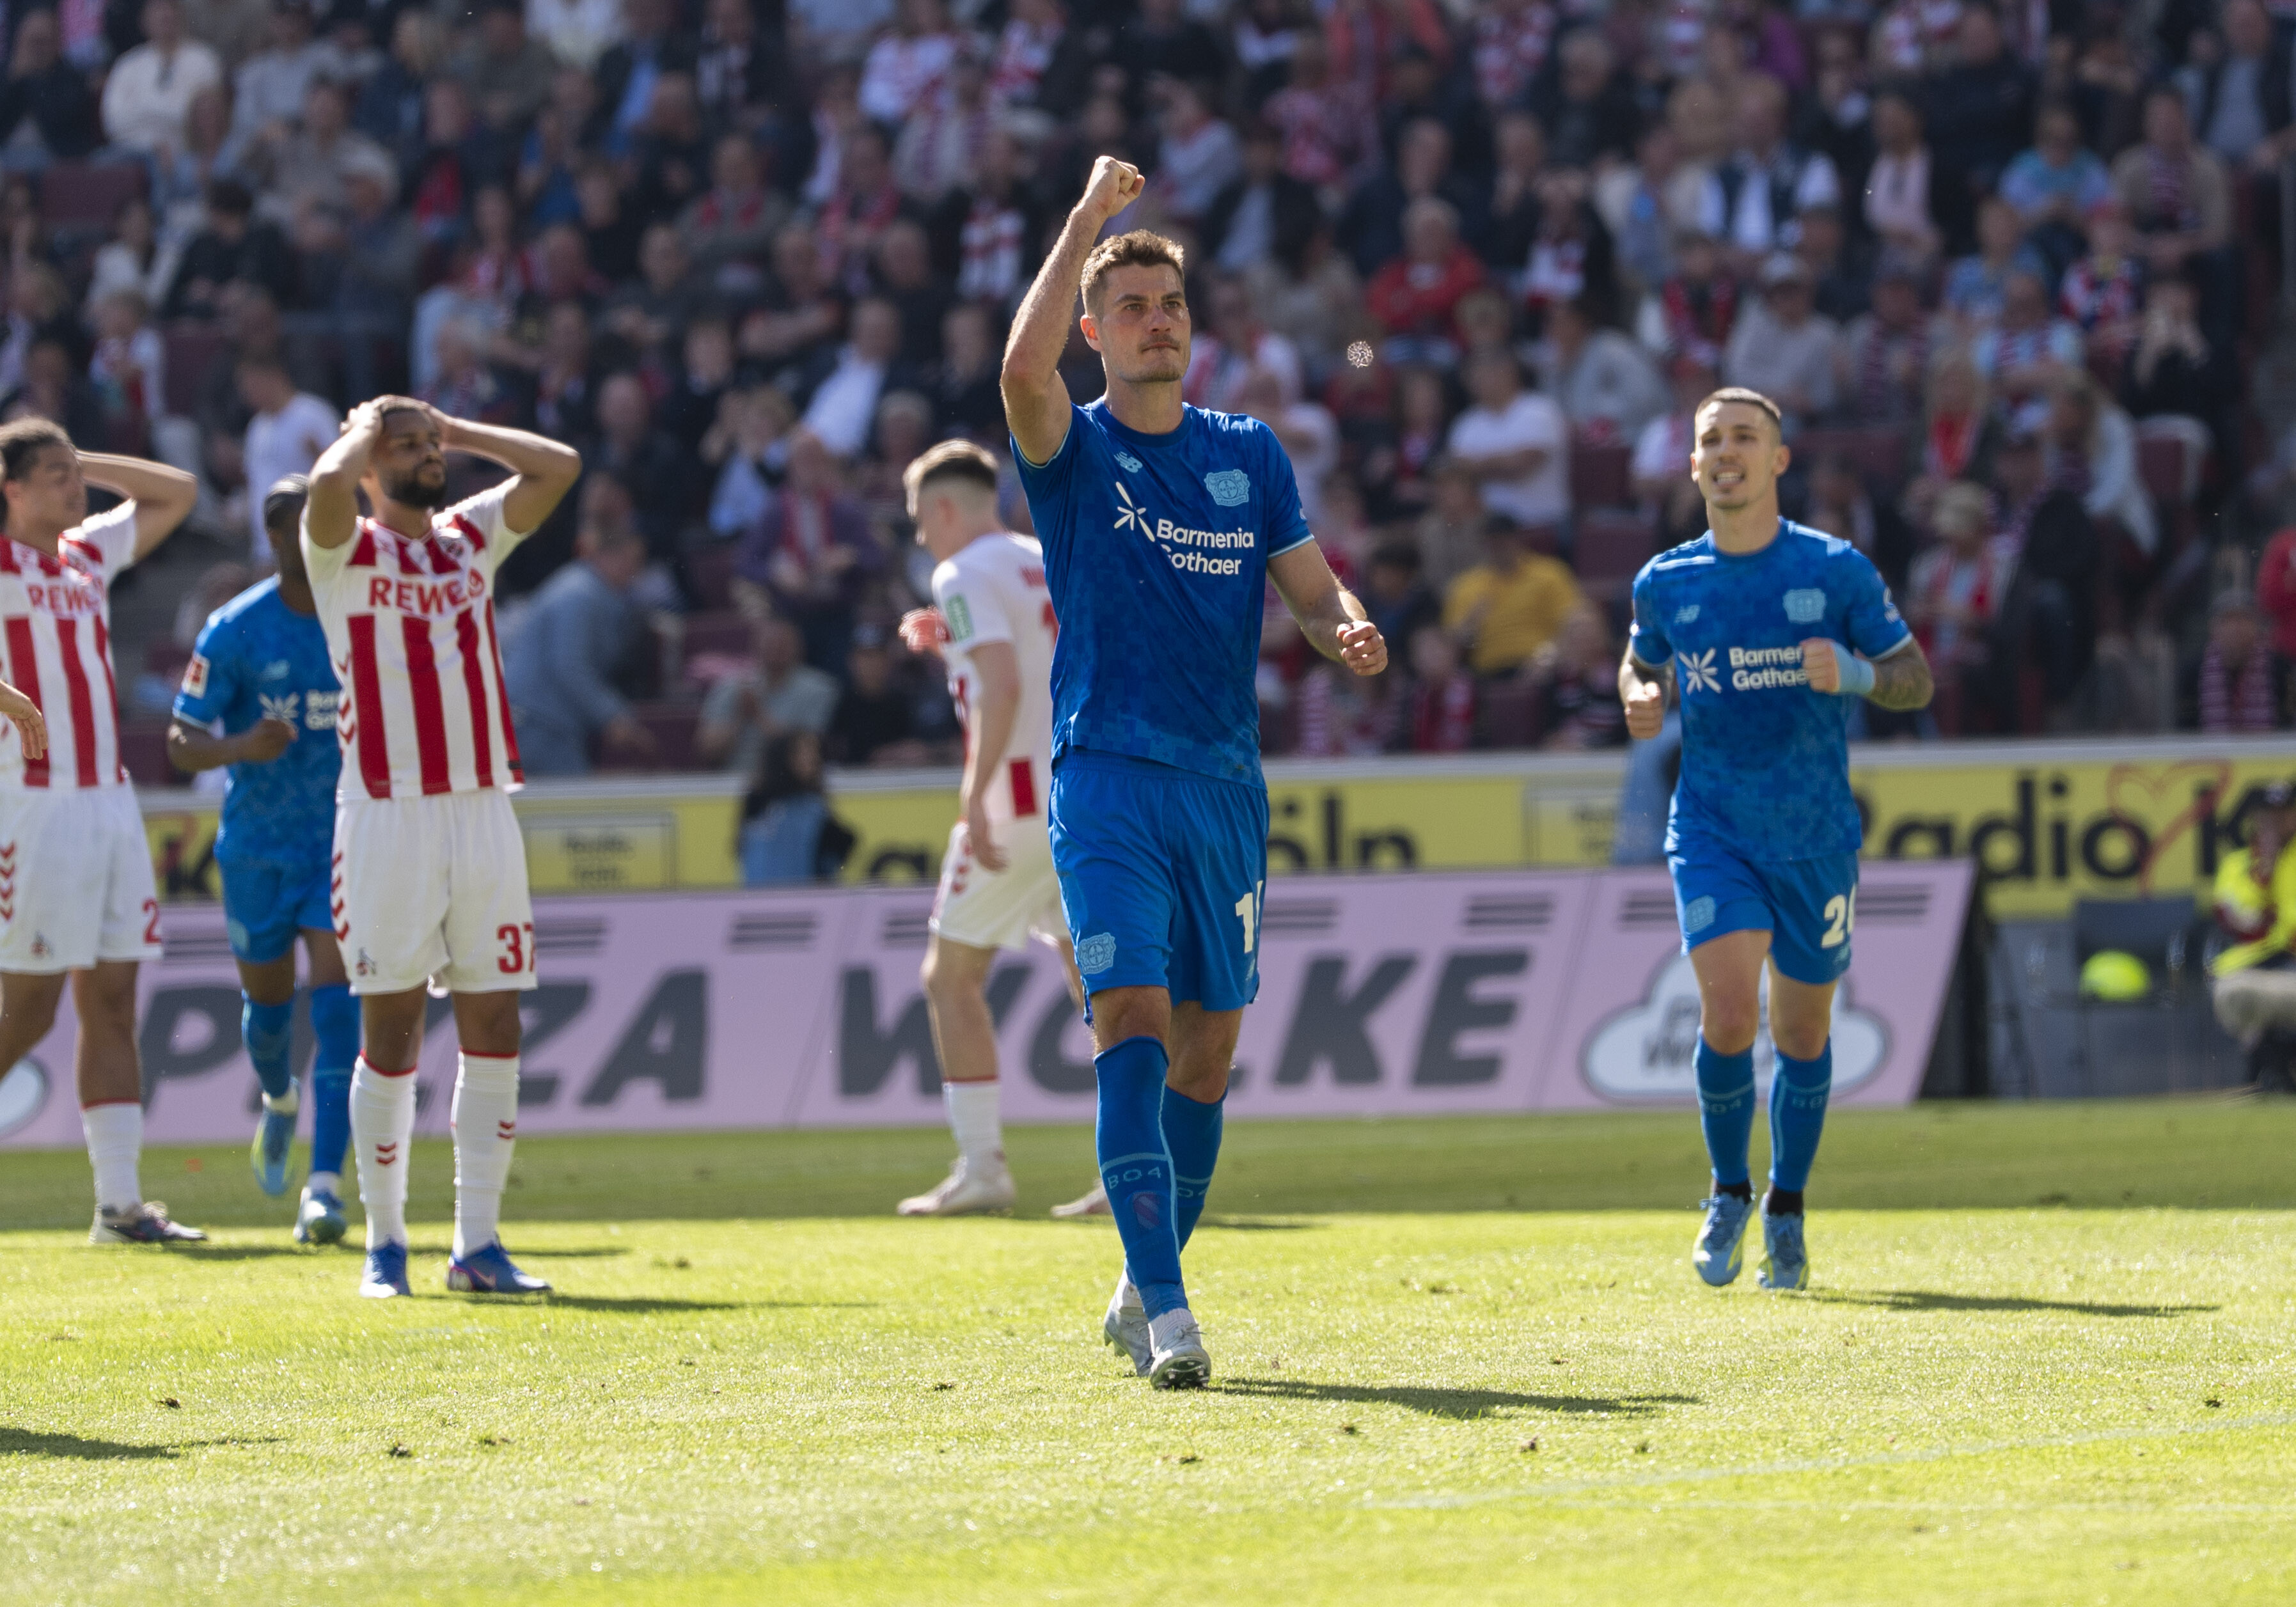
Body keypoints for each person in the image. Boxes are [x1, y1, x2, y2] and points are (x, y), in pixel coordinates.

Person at [1002, 157, 1388, 1388]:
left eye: (1169, 303)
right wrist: (1085, 224)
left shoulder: (1250, 454)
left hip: (1224, 787)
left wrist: (1348, 629)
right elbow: (1018, 373)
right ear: (1095, 334)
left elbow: (1316, 591)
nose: (1156, 321)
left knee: (1209, 1056)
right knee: (1131, 1017)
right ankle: (1172, 1312)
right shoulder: (1074, 450)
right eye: (1130, 308)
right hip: (1108, 773)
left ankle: (1135, 1274)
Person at [1618, 387, 1933, 1293]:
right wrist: (1636, 698)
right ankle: (1727, 1190)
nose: (1726, 452)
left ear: (1776, 460)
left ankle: (1786, 1207)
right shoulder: (1666, 580)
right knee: (1725, 1008)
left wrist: (1861, 672)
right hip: (1713, 824)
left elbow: (1915, 678)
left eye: (1744, 438)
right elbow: (1639, 662)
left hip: (1813, 835)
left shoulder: (1833, 572)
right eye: (1710, 440)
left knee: (1800, 1029)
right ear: (1691, 464)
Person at [301, 396, 581, 1299]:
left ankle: (477, 1244)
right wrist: (365, 430)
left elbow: (558, 466)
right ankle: (385, 1245)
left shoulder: (467, 538)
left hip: (481, 810)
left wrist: (456, 430)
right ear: (371, 467)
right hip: (386, 815)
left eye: (432, 446)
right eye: (408, 449)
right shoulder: (342, 549)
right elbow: (323, 485)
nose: (428, 457)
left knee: (495, 1025)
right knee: (390, 1031)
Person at [0, 421, 200, 1244]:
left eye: (71, 472)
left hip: (109, 801)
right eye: (51, 475)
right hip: (34, 802)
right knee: (30, 1008)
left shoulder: (86, 553)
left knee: (112, 999)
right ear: (7, 489)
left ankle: (120, 1206)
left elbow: (177, 493)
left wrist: (89, 459)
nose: (71, 487)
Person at [892, 441, 1099, 1219]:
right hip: (1081, 795)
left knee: (949, 978)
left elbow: (1003, 687)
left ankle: (982, 1166)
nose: (919, 538)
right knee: (1099, 984)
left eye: (919, 519)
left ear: (944, 509)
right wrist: (949, 639)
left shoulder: (958, 572)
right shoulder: (1038, 556)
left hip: (1015, 804)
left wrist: (973, 794)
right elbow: (1039, 654)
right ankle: (1147, 1170)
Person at [166, 476, 358, 1244]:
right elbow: (181, 740)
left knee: (338, 1005)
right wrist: (243, 744)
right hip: (256, 849)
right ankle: (278, 1098)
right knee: (270, 1014)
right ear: (276, 539)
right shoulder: (236, 629)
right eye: (301, 530)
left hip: (340, 842)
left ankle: (326, 1188)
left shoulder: (360, 620)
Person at [501, 515, 652, 777]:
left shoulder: (592, 592)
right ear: (608, 556)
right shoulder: (579, 595)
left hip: (541, 723)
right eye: (632, 560)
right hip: (538, 725)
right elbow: (570, 666)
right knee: (569, 811)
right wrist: (613, 716)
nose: (635, 571)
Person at [2208, 780, 2296, 1091]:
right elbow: (2242, 924)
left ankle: (2273, 1075)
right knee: (2234, 995)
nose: (2278, 821)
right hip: (2257, 965)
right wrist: (2264, 874)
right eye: (2269, 815)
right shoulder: (2238, 865)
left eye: (2286, 813)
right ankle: (2275, 1072)